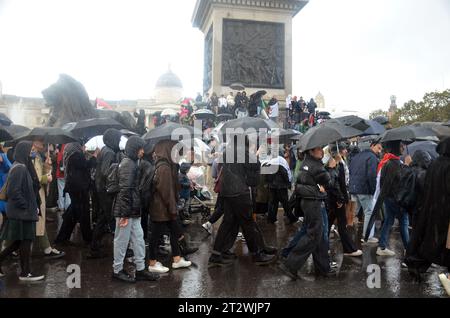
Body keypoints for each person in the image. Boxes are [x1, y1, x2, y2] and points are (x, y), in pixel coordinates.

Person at [208, 137, 276, 267]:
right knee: (248, 223)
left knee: (227, 223)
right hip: (239, 192)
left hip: (227, 192)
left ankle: (216, 255)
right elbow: (255, 164)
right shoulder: (242, 152)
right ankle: (257, 254)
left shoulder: (228, 151)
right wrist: (254, 153)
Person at [278, 146, 333, 280]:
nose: (322, 151)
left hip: (309, 202)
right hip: (313, 202)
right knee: (313, 235)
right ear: (311, 151)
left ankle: (323, 268)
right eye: (319, 150)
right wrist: (331, 167)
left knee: (317, 235)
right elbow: (329, 182)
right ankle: (291, 264)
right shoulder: (316, 166)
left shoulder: (306, 163)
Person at [112, 136, 160, 283]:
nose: (142, 151)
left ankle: (140, 269)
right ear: (135, 149)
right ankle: (117, 270)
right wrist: (125, 215)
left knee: (138, 239)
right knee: (122, 241)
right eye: (140, 149)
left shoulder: (131, 162)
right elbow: (125, 190)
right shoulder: (128, 164)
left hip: (131, 210)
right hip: (127, 211)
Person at [405, 137, 450, 278]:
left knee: (429, 237)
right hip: (445, 209)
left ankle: (416, 265)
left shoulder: (435, 163)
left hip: (431, 207)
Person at [0, 141, 45, 281]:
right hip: (22, 213)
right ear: (23, 152)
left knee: (20, 242)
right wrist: (27, 206)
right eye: (30, 149)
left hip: (23, 212)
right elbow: (14, 191)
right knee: (24, 242)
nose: (32, 151)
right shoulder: (20, 168)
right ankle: (25, 273)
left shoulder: (20, 166)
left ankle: (25, 272)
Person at [148, 140, 192, 273]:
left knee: (174, 232)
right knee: (155, 236)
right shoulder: (164, 167)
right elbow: (166, 192)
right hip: (162, 209)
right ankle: (152, 263)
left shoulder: (166, 165)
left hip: (164, 208)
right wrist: (173, 209)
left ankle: (177, 259)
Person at [89, 128, 122, 258]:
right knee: (112, 220)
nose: (119, 141)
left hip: (101, 189)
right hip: (106, 190)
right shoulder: (109, 152)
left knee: (103, 219)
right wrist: (117, 168)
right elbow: (105, 171)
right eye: (118, 139)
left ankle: (94, 246)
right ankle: (120, 249)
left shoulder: (105, 150)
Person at [55, 142, 97, 245]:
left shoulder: (70, 155)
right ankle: (88, 239)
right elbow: (86, 165)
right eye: (82, 146)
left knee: (72, 215)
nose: (84, 147)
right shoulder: (76, 155)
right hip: (79, 189)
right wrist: (94, 156)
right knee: (84, 214)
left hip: (75, 188)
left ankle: (62, 238)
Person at [374, 141, 410, 256]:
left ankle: (382, 246)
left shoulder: (388, 162)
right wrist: (407, 166)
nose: (403, 147)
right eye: (401, 146)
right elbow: (401, 180)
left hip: (389, 198)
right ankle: (408, 249)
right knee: (404, 222)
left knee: (389, 220)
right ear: (395, 148)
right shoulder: (394, 164)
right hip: (396, 199)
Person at [31, 140, 65, 259]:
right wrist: (46, 178)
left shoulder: (38, 157)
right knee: (36, 221)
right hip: (34, 194)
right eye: (40, 141)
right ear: (34, 143)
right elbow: (35, 177)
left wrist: (47, 165)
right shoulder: (32, 156)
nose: (43, 144)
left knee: (38, 222)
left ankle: (47, 248)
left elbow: (40, 173)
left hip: (37, 194)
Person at [324, 153, 362, 257]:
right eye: (343, 149)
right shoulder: (332, 164)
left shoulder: (339, 164)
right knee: (341, 224)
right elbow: (333, 184)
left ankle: (323, 247)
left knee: (328, 223)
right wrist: (340, 199)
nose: (345, 150)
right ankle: (348, 249)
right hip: (335, 200)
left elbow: (341, 182)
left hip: (335, 199)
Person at [348, 139, 382, 243]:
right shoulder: (372, 157)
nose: (380, 151)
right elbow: (371, 175)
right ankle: (367, 236)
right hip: (364, 189)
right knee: (369, 212)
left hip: (353, 188)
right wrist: (373, 190)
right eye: (379, 148)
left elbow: (351, 170)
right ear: (372, 145)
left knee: (353, 212)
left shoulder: (357, 156)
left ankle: (346, 234)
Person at [264, 156, 292, 224]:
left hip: (272, 186)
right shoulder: (281, 160)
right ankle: (291, 218)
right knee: (285, 203)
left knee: (273, 203)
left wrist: (267, 183)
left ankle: (271, 219)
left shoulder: (268, 160)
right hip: (281, 186)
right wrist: (288, 183)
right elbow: (285, 173)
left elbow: (266, 173)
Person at [56, 144, 71, 213]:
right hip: (68, 175)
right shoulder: (70, 153)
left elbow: (58, 162)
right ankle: (67, 206)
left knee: (61, 191)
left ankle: (61, 207)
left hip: (60, 175)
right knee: (68, 191)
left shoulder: (59, 154)